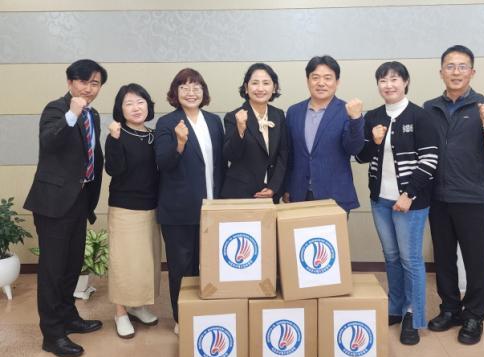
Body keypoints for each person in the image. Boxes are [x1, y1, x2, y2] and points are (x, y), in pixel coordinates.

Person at [423, 45, 484, 345]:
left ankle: (474, 315)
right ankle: (449, 308)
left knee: (475, 260)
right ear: (441, 72)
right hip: (437, 197)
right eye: (450, 66)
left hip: (471, 197)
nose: (456, 72)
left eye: (462, 66)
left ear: (472, 72)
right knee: (443, 258)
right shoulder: (429, 108)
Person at [23, 59, 107, 357]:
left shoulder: (93, 115)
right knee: (52, 270)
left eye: (95, 83)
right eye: (83, 81)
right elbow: (49, 141)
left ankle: (69, 317)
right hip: (53, 203)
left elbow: (91, 155)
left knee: (72, 265)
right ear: (70, 82)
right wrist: (72, 114)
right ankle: (52, 334)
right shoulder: (56, 109)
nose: (89, 88)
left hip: (79, 201)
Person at [355, 61, 439, 345]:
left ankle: (413, 315)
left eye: (394, 79)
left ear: (405, 82)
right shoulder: (374, 116)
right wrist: (373, 140)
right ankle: (395, 307)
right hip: (380, 199)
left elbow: (430, 160)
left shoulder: (420, 116)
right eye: (383, 80)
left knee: (410, 259)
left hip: (410, 201)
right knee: (391, 256)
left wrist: (408, 194)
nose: (388, 85)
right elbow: (361, 156)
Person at [154, 68, 225, 334]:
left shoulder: (214, 121)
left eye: (196, 87)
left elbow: (221, 165)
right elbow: (163, 163)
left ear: (203, 92)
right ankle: (181, 317)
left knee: (209, 265)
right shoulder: (167, 123)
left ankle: (203, 310)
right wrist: (180, 143)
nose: (191, 92)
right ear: (175, 93)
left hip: (212, 207)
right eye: (184, 87)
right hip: (179, 210)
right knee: (181, 267)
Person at [105, 84, 161, 339]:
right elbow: (114, 169)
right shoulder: (117, 134)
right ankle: (120, 313)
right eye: (129, 103)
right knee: (124, 262)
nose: (136, 108)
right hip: (125, 208)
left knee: (145, 262)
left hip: (151, 206)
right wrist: (115, 139)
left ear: (148, 105)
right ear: (121, 109)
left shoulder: (154, 135)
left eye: (140, 102)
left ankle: (138, 306)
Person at [284, 55, 364, 212]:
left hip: (334, 196)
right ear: (308, 80)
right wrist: (287, 187)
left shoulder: (347, 111)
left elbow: (354, 148)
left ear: (337, 82)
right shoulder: (294, 112)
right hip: (299, 195)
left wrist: (356, 119)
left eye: (328, 78)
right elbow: (289, 155)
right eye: (315, 78)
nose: (321, 83)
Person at [221, 63, 288, 202]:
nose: (260, 88)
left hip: (270, 193)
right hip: (240, 194)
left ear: (274, 87)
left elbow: (283, 154)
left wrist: (274, 188)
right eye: (255, 83)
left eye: (266, 83)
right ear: (246, 88)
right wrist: (240, 129)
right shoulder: (233, 117)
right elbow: (230, 156)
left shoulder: (278, 115)